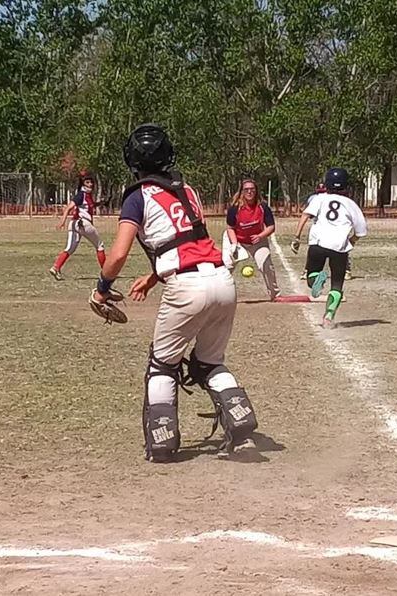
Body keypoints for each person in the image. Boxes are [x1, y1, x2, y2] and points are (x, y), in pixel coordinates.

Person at [91, 123, 258, 462]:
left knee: (162, 365)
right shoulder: (188, 190)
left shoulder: (137, 196)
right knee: (210, 362)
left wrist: (101, 289)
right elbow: (190, 241)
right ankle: (240, 423)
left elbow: (118, 255)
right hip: (222, 281)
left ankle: (163, 441)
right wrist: (154, 277)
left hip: (186, 286)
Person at [291, 168, 367, 328]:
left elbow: (305, 215)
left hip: (318, 244)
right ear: (346, 186)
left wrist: (297, 237)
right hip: (339, 248)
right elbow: (360, 231)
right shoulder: (352, 205)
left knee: (311, 277)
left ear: (327, 184)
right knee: (337, 285)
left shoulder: (319, 199)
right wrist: (351, 241)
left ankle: (317, 278)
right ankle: (329, 316)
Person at [224, 179, 280, 300]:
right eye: (246, 189)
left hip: (257, 240)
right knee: (226, 267)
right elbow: (230, 228)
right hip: (237, 240)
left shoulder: (263, 206)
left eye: (252, 189)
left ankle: (275, 294)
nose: (249, 192)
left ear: (256, 191)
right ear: (242, 192)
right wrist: (234, 245)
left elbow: (271, 227)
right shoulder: (235, 208)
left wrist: (261, 236)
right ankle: (220, 295)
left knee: (266, 264)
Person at [49, 173, 107, 280]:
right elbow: (68, 207)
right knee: (100, 246)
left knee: (69, 249)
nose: (90, 184)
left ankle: (56, 267)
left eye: (91, 182)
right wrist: (62, 221)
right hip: (82, 223)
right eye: (87, 182)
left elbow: (90, 205)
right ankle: (106, 273)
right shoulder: (81, 194)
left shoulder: (87, 195)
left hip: (75, 224)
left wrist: (100, 203)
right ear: (82, 184)